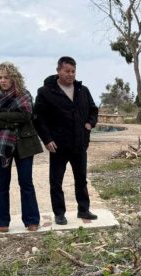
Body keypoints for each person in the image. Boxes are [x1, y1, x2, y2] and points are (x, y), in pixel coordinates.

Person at [34, 56, 99, 225]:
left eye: (73, 71)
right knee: (56, 182)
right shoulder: (45, 92)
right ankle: (59, 213)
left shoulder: (82, 90)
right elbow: (38, 118)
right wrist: (47, 139)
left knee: (81, 179)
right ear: (58, 71)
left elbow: (93, 109)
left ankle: (83, 210)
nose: (70, 74)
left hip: (79, 144)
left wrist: (89, 124)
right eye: (67, 71)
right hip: (58, 146)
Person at [0, 62, 43, 232]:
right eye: (0, 77)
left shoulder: (24, 95)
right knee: (2, 183)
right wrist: (10, 119)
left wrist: (1, 115)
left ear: (13, 77)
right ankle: (1, 222)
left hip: (23, 143)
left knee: (26, 182)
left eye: (6, 77)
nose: (3, 80)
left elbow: (26, 116)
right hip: (1, 145)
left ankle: (31, 221)